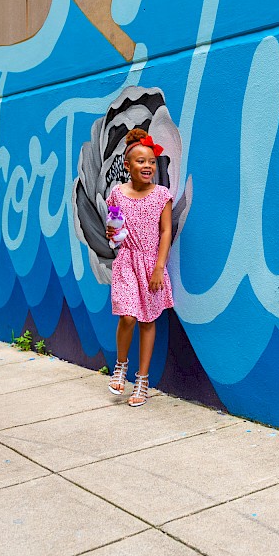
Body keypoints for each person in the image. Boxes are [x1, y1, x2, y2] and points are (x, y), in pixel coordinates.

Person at [104, 128, 174, 407]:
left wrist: (159, 267)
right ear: (127, 165)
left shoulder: (161, 195)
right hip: (126, 262)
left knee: (147, 320)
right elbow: (114, 226)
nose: (148, 166)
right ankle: (121, 364)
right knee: (128, 317)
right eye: (141, 161)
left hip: (151, 264)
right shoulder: (117, 194)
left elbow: (166, 232)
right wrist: (113, 233)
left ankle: (142, 380)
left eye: (152, 162)